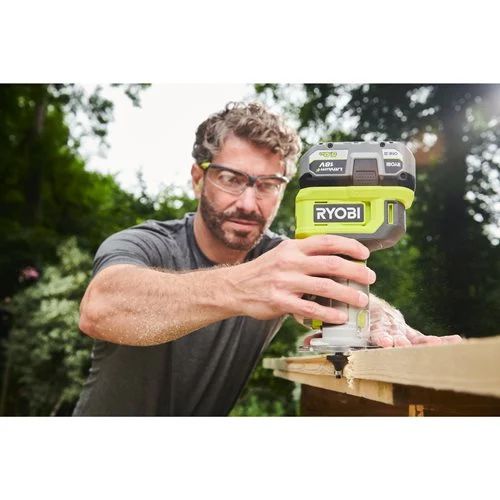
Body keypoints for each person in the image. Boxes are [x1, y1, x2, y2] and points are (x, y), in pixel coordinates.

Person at [73, 101, 461, 416]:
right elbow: (101, 308)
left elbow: (330, 291)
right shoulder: (148, 243)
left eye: (268, 185)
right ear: (198, 177)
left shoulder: (278, 258)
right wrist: (244, 286)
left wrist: (381, 320)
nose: (248, 202)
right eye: (231, 178)